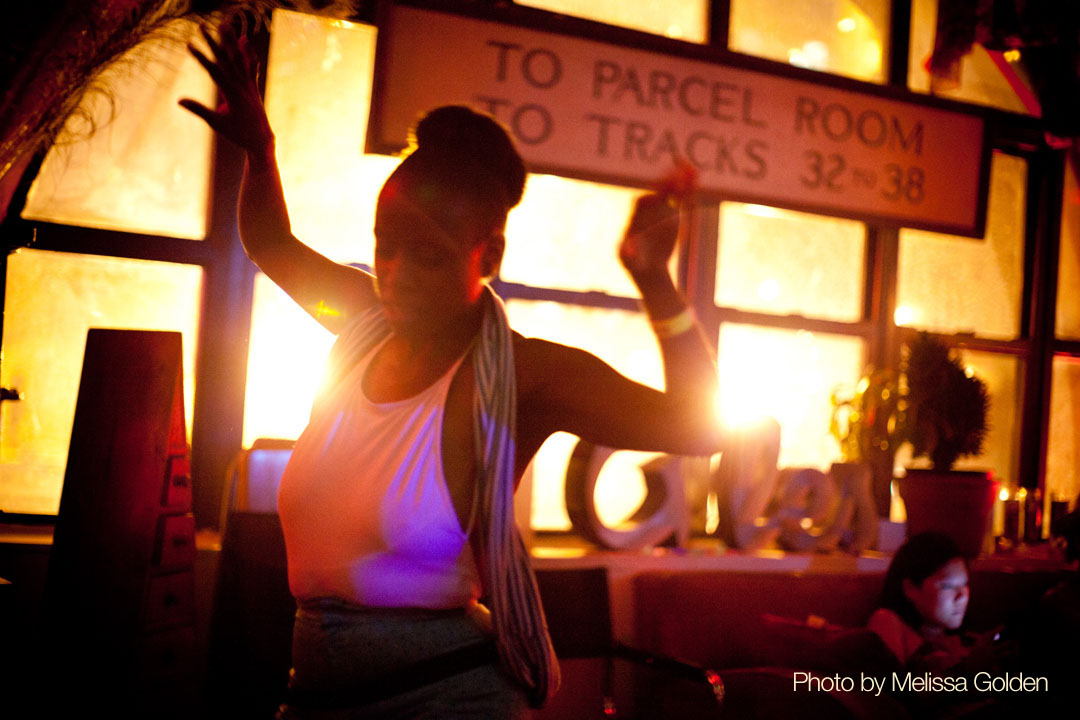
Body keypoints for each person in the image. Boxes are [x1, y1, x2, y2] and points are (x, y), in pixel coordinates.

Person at [180, 19, 721, 718]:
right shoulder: (361, 319)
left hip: (449, 699)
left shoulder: (526, 376)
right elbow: (269, 240)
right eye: (385, 246)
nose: (397, 275)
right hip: (317, 692)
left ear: (489, 259)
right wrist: (262, 152)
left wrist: (657, 282)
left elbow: (700, 426)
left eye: (430, 255)